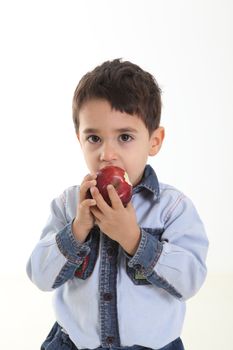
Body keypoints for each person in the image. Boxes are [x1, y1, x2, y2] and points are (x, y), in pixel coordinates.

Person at [26, 58, 209, 350]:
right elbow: (40, 275)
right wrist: (77, 229)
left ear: (154, 141)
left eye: (125, 137)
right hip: (75, 343)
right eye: (94, 138)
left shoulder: (173, 208)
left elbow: (190, 280)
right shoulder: (68, 204)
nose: (106, 154)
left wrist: (133, 238)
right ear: (79, 140)